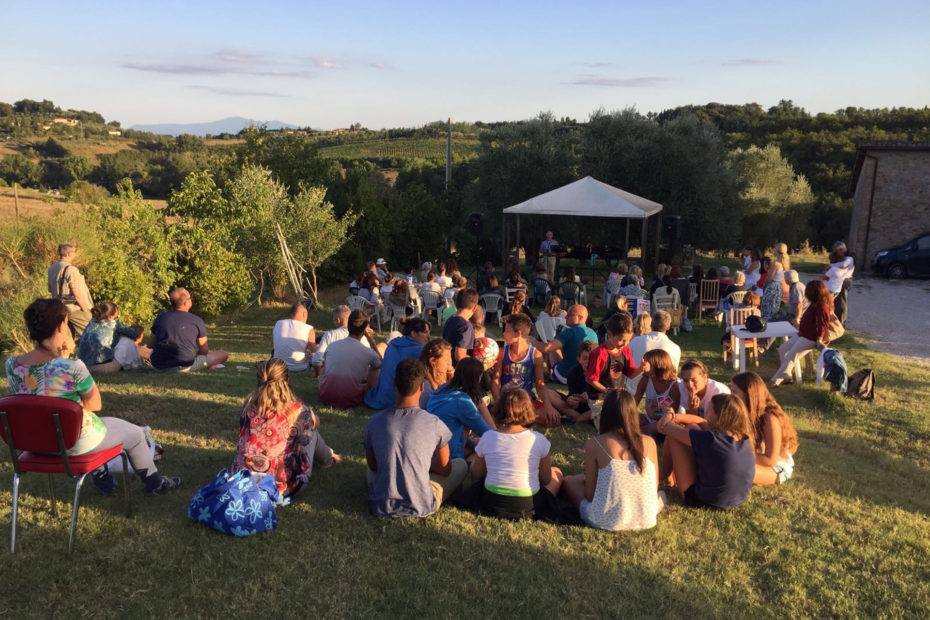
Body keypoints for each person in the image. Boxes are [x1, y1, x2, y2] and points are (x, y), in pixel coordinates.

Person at [6, 298, 180, 495]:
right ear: (63, 325)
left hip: (35, 442)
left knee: (92, 428)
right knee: (134, 434)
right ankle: (156, 483)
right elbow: (94, 404)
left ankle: (105, 481)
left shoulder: (12, 365)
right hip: (72, 442)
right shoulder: (72, 366)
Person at [364, 358, 468, 518]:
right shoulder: (434, 422)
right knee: (460, 465)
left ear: (394, 383)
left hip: (380, 505)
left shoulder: (374, 422)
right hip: (421, 505)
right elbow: (445, 469)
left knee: (373, 471)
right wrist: (424, 464)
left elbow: (374, 466)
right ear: (421, 387)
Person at [230, 358, 341, 499]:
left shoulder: (249, 405)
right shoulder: (298, 411)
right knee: (310, 428)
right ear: (287, 380)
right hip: (283, 487)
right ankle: (328, 458)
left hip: (242, 480)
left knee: (307, 424)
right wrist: (312, 419)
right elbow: (310, 428)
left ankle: (328, 457)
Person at [563, 390, 663, 531]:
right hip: (646, 519)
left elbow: (589, 495)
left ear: (605, 413)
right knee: (661, 496)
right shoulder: (649, 442)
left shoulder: (595, 443)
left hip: (604, 520)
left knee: (570, 481)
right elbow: (654, 486)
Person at [464, 389, 563, 521]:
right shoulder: (539, 439)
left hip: (490, 502)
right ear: (529, 409)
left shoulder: (488, 437)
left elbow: (476, 475)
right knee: (557, 473)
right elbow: (545, 479)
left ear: (499, 409)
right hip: (528, 504)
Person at [656, 393, 755, 509]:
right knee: (692, 426)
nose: (705, 413)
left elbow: (663, 428)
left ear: (717, 415)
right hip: (736, 500)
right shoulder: (744, 438)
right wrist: (675, 416)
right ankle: (667, 478)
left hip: (704, 501)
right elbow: (700, 421)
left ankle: (665, 478)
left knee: (674, 437)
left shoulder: (710, 440)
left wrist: (668, 415)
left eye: (708, 410)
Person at [731, 372, 799, 485]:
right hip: (752, 459)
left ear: (748, 394)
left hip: (776, 467)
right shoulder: (742, 411)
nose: (731, 396)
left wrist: (737, 453)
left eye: (734, 392)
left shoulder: (770, 419)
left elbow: (770, 460)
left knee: (737, 469)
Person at [492, 313, 560, 427]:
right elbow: (495, 381)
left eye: (507, 330)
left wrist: (548, 406)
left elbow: (540, 384)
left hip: (526, 401)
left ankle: (515, 418)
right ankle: (519, 418)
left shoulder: (536, 354)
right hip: (506, 400)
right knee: (493, 417)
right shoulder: (502, 352)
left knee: (551, 419)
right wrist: (498, 402)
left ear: (518, 334)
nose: (503, 333)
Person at [426, 357, 494, 460]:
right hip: (450, 460)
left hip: (433, 454)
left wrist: (472, 442)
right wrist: (481, 405)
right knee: (487, 455)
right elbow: (491, 435)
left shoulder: (441, 390)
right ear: (476, 380)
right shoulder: (462, 402)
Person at [146, 287, 228, 372]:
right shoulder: (196, 320)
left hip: (159, 366)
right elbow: (204, 350)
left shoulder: (160, 318)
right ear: (185, 302)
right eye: (190, 298)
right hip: (184, 365)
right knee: (223, 354)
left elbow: (149, 344)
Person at [769, 280, 834, 387]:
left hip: (811, 338)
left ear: (813, 293)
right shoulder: (815, 303)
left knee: (791, 357)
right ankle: (787, 377)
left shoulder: (822, 305)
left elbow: (823, 324)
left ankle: (774, 381)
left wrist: (820, 339)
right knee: (782, 349)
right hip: (803, 334)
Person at [320, 309, 382, 408]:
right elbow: (380, 364)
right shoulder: (368, 352)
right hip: (351, 400)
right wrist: (371, 340)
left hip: (325, 396)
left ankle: (330, 388)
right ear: (364, 330)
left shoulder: (332, 346)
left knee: (325, 366)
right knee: (375, 368)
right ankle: (375, 395)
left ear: (348, 326)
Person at [365, 317, 430, 410]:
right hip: (400, 399)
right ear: (413, 333)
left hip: (382, 398)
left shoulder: (393, 344)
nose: (428, 336)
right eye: (425, 332)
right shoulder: (420, 350)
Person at [532, 304, 598, 385]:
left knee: (553, 348)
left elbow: (546, 348)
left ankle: (551, 375)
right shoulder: (593, 334)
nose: (566, 317)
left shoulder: (567, 333)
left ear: (580, 317)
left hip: (565, 377)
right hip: (585, 376)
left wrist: (532, 340)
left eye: (570, 315)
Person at [585, 312, 640, 400]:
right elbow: (590, 379)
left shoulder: (625, 350)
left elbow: (631, 374)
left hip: (617, 397)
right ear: (609, 334)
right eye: (621, 340)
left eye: (628, 340)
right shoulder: (599, 353)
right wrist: (607, 391)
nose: (625, 344)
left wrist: (642, 368)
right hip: (599, 398)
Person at [77, 301, 143, 373]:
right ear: (111, 316)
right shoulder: (114, 324)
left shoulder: (92, 321)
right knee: (125, 339)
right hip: (101, 361)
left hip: (83, 360)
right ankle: (133, 364)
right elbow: (134, 334)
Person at [47, 242, 93, 338]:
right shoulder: (71, 270)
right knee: (92, 335)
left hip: (59, 309)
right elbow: (77, 294)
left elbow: (50, 289)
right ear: (68, 254)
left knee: (66, 341)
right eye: (74, 251)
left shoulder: (51, 268)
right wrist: (85, 310)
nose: (75, 254)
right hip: (75, 308)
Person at [633, 349, 681, 436]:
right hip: (649, 417)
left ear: (657, 366)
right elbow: (634, 401)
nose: (642, 366)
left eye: (645, 363)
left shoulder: (674, 386)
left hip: (667, 419)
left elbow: (673, 412)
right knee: (628, 420)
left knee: (643, 430)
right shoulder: (646, 379)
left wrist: (654, 414)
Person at [548, 339, 596, 423]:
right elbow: (573, 396)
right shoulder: (573, 373)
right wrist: (572, 401)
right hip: (580, 408)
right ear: (579, 359)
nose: (588, 362)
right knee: (548, 393)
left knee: (605, 404)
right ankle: (580, 417)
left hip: (596, 405)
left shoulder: (602, 372)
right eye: (585, 358)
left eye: (592, 358)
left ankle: (578, 419)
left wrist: (590, 398)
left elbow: (607, 395)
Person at [272, 302, 316, 373]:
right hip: (298, 368)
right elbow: (314, 353)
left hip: (278, 367)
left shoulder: (278, 323)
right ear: (304, 314)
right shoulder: (308, 328)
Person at [442, 288, 479, 364]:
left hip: (447, 363)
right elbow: (460, 356)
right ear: (475, 308)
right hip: (459, 369)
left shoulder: (449, 320)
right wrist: (476, 361)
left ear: (456, 304)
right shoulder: (466, 326)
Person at [823, 241, 855, 325]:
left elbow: (844, 264)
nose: (838, 253)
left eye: (838, 251)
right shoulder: (843, 257)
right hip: (840, 280)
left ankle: (841, 323)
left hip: (845, 280)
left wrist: (831, 266)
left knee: (841, 302)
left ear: (842, 249)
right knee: (836, 302)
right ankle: (835, 321)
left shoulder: (849, 258)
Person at [419, 338, 453, 408]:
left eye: (450, 358)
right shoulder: (426, 388)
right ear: (433, 361)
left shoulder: (447, 379)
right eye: (446, 359)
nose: (450, 363)